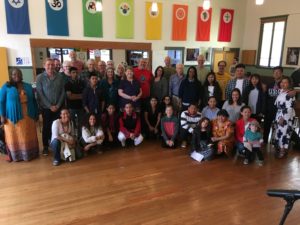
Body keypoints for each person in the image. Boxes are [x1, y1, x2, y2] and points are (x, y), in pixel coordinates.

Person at [0, 68, 39, 162]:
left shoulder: (28, 86)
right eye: (14, 74)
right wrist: (2, 115)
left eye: (18, 74)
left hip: (28, 115)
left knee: (27, 134)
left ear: (21, 75)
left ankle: (30, 154)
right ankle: (15, 156)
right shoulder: (6, 87)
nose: (16, 76)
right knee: (13, 136)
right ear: (11, 76)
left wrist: (36, 113)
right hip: (11, 117)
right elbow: (1, 102)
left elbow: (34, 101)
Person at [36, 58, 65, 156]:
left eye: (52, 64)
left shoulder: (60, 76)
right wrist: (50, 106)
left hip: (58, 107)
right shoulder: (40, 77)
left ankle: (56, 144)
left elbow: (62, 92)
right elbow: (40, 93)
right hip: (46, 108)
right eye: (48, 64)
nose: (50, 66)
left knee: (57, 126)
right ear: (44, 65)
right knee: (47, 127)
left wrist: (58, 105)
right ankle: (45, 146)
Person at [264, 66, 295, 143]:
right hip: (269, 109)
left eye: (278, 72)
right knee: (267, 125)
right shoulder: (270, 84)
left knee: (278, 127)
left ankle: (275, 142)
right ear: (273, 74)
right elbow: (266, 97)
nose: (276, 74)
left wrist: (293, 91)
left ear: (282, 74)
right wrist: (264, 108)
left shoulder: (284, 85)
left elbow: (290, 91)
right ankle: (265, 141)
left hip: (280, 111)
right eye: (275, 72)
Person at [274, 76, 296, 158]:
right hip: (279, 114)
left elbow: (289, 108)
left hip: (285, 116)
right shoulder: (281, 91)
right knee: (279, 133)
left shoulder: (290, 94)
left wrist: (283, 117)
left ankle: (283, 151)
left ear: (289, 84)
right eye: (282, 82)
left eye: (285, 82)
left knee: (284, 133)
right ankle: (280, 149)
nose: (283, 84)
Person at [65, 67, 85, 135]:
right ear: (70, 74)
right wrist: (80, 96)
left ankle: (80, 138)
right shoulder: (67, 84)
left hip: (81, 107)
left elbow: (84, 95)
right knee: (72, 124)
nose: (75, 74)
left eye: (76, 72)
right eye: (73, 73)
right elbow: (70, 97)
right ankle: (73, 139)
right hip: (71, 107)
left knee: (81, 124)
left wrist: (75, 95)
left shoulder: (82, 83)